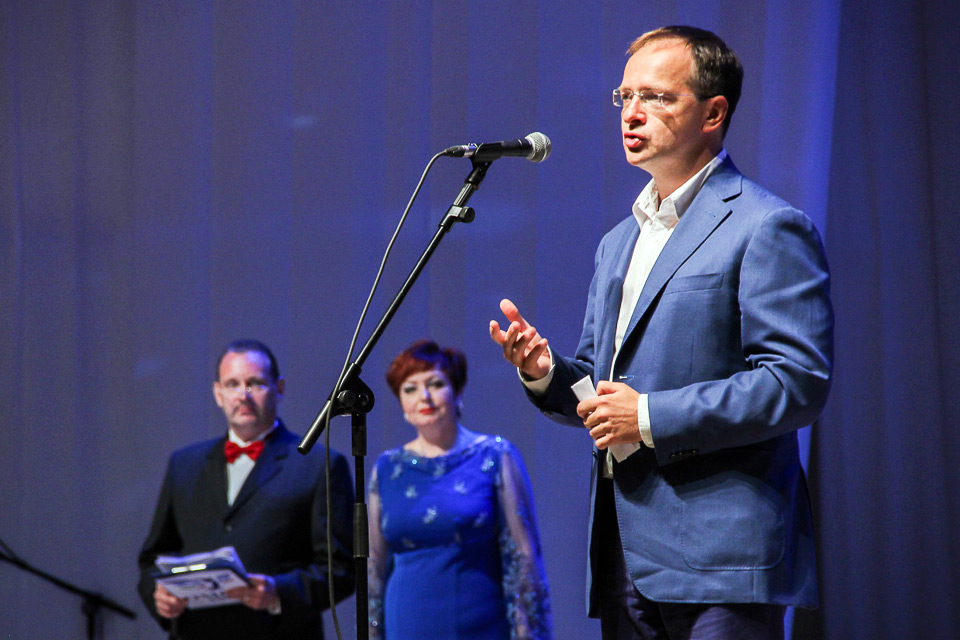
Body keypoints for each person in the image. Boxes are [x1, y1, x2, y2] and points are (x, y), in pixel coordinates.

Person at [489, 26, 833, 640]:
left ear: (713, 113)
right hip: (625, 551)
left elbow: (795, 383)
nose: (632, 113)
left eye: (656, 97)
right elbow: (601, 387)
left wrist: (647, 416)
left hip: (722, 558)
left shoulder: (767, 226)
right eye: (625, 97)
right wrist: (545, 372)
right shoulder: (618, 242)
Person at [137, 339, 355, 639]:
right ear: (218, 394)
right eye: (232, 384)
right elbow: (153, 556)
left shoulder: (318, 465)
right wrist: (158, 595)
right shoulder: (184, 464)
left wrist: (278, 592)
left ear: (279, 388)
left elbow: (341, 568)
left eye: (255, 383)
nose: (243, 395)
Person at [367, 339, 551, 639]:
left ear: (458, 391)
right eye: (409, 389)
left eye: (436, 384)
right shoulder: (387, 467)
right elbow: (373, 568)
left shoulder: (494, 455)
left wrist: (528, 633)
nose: (424, 397)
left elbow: (524, 560)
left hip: (481, 625)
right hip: (405, 626)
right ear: (401, 403)